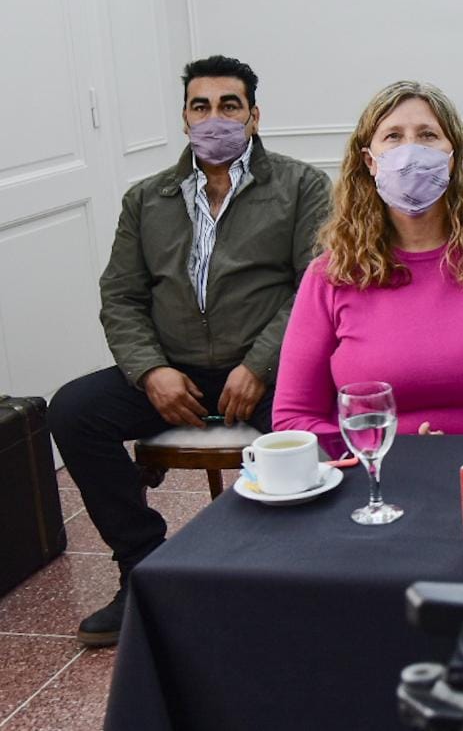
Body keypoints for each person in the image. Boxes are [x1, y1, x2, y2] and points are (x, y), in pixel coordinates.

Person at [48, 55, 332, 647]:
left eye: (230, 105)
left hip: (265, 370)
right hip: (175, 372)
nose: (214, 118)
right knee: (74, 411)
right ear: (184, 118)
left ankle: (293, 575)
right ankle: (143, 566)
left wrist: (260, 365)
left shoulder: (301, 186)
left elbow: (313, 289)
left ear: (254, 116)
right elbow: (121, 296)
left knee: (312, 435)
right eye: (200, 106)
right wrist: (150, 370)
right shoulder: (146, 199)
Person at [272, 81, 463, 449]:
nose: (410, 151)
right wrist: (383, 452)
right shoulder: (332, 273)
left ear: (453, 156)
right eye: (393, 136)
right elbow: (294, 414)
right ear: (369, 161)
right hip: (373, 470)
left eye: (427, 135)